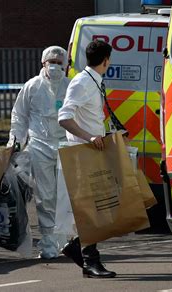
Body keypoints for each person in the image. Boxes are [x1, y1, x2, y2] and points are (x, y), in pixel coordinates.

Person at [58, 39, 116, 278]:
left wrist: (106, 134)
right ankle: (90, 261)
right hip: (83, 153)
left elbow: (88, 116)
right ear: (106, 60)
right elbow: (64, 117)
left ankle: (80, 251)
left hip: (93, 151)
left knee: (98, 210)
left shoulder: (93, 81)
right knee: (92, 210)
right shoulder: (82, 83)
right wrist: (90, 138)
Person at [7, 46, 70, 259]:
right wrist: (15, 142)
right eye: (51, 61)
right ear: (43, 63)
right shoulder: (32, 87)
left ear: (66, 64)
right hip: (40, 146)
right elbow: (20, 116)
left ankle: (64, 242)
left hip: (65, 146)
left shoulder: (70, 87)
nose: (55, 66)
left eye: (59, 62)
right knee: (45, 197)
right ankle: (48, 245)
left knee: (64, 197)